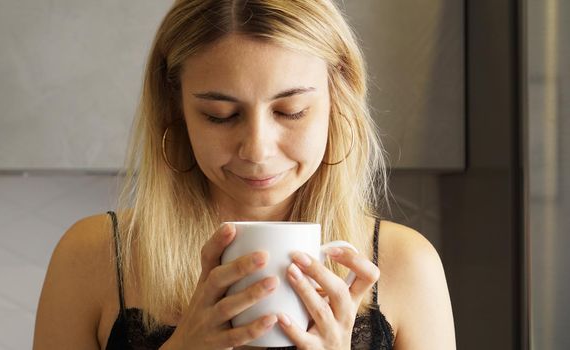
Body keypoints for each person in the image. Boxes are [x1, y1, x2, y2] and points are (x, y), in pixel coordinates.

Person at [33, 0, 456, 349]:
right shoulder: (92, 259)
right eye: (220, 116)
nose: (257, 150)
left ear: (338, 102)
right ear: (175, 112)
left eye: (291, 111)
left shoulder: (406, 266)